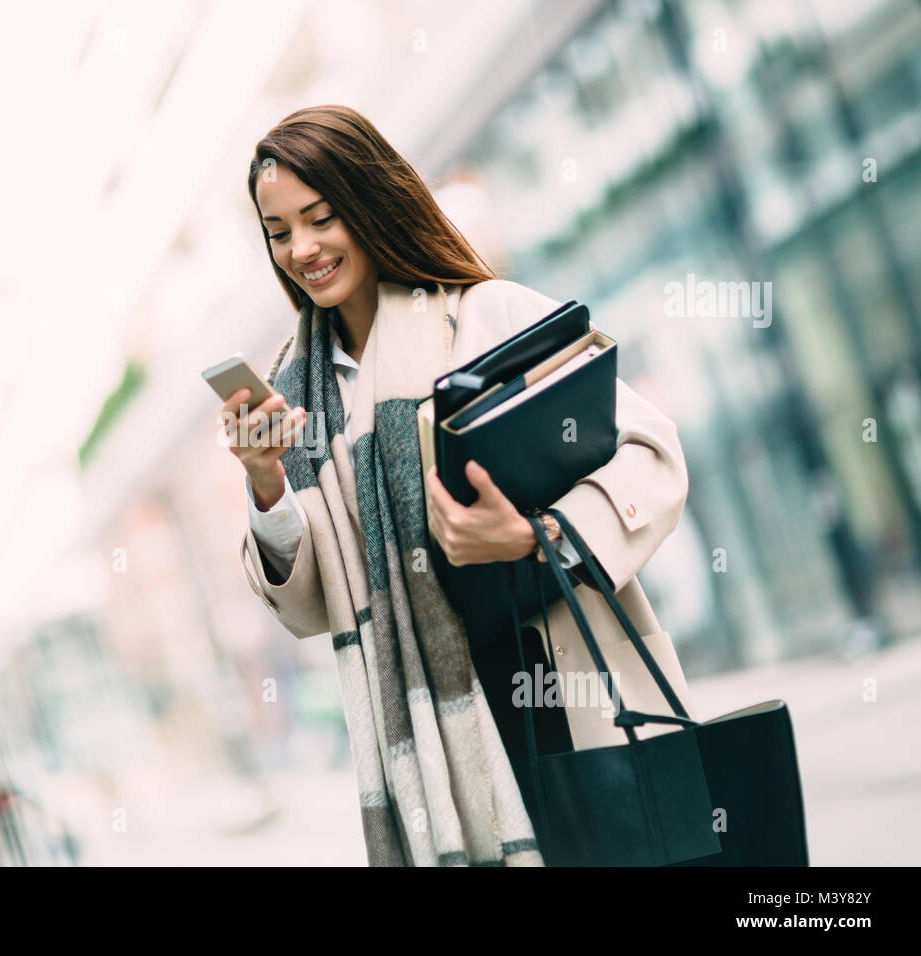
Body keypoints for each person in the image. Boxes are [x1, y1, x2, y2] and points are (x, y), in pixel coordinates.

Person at [220, 105, 697, 867]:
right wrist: (264, 480)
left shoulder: (489, 318)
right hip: (428, 753)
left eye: (321, 218)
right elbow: (311, 604)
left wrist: (539, 537)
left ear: (369, 205)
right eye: (280, 232)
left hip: (560, 704)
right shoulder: (298, 400)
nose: (302, 249)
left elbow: (651, 452)